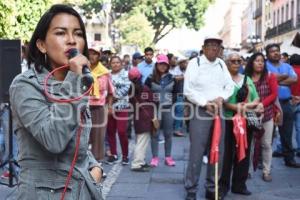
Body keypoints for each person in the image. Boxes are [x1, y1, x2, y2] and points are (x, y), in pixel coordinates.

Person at [9, 4, 103, 199]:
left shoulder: (76, 82)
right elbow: (53, 139)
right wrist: (75, 79)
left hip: (82, 191)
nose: (71, 41)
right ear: (41, 44)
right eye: (61, 33)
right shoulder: (25, 85)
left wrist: (94, 168)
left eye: (78, 34)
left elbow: (76, 136)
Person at [184, 35, 234, 200]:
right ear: (204, 47)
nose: (214, 48)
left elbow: (230, 86)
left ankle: (212, 188)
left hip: (218, 111)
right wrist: (205, 103)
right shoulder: (195, 63)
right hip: (201, 111)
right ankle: (191, 189)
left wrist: (221, 98)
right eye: (211, 45)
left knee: (217, 151)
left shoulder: (221, 64)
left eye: (217, 46)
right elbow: (188, 90)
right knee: (196, 152)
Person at [220, 52, 261, 197]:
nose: (237, 63)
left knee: (244, 152)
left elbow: (256, 99)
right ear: (227, 63)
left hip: (245, 122)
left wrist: (244, 106)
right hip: (228, 121)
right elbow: (224, 103)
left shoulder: (247, 78)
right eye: (233, 61)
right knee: (227, 155)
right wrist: (242, 107)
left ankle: (239, 185)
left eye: (239, 61)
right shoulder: (223, 80)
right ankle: (223, 186)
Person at [244, 53, 278, 182]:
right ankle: (247, 170)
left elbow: (274, 94)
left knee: (266, 144)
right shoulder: (245, 77)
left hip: (267, 114)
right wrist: (253, 106)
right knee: (250, 143)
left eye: (262, 61)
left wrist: (261, 104)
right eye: (257, 61)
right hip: (250, 114)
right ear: (251, 63)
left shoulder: (270, 76)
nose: (260, 63)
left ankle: (266, 171)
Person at [265, 44, 300, 168]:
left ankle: (289, 159)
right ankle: (262, 161)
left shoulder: (287, 65)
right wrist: (285, 77)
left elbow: (294, 79)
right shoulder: (264, 66)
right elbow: (267, 79)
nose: (276, 53)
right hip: (269, 104)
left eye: (277, 51)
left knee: (287, 133)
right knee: (267, 134)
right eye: (272, 51)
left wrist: (276, 80)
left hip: (286, 103)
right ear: (267, 54)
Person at [145, 54, 178, 167]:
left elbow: (176, 94)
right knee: (155, 134)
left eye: (165, 64)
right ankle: (155, 157)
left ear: (168, 65)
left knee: (168, 134)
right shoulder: (150, 78)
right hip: (155, 110)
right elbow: (146, 93)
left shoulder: (172, 78)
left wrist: (171, 103)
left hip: (168, 109)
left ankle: (168, 157)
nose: (163, 66)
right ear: (157, 65)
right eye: (161, 64)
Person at [88, 42, 114, 161]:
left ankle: (97, 165)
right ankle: (83, 166)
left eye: (95, 54)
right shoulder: (82, 70)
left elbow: (110, 92)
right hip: (84, 108)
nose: (92, 56)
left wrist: (109, 107)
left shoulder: (105, 73)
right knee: (83, 137)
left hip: (100, 107)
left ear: (99, 56)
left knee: (99, 138)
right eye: (90, 53)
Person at [106, 56, 131, 165]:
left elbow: (126, 88)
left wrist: (114, 95)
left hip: (122, 107)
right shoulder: (107, 75)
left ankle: (125, 155)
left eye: (117, 62)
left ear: (121, 64)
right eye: (113, 63)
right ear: (110, 64)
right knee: (110, 131)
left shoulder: (126, 74)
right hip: (109, 107)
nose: (115, 64)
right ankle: (113, 154)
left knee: (122, 131)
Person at [128, 68, 153, 172]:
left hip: (137, 117)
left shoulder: (131, 90)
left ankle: (141, 161)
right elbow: (152, 102)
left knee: (140, 140)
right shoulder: (145, 89)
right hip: (145, 118)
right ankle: (137, 163)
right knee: (142, 142)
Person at [290, 54, 300, 157]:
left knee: (286, 128)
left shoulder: (289, 72)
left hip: (290, 101)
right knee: (299, 127)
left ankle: (281, 148)